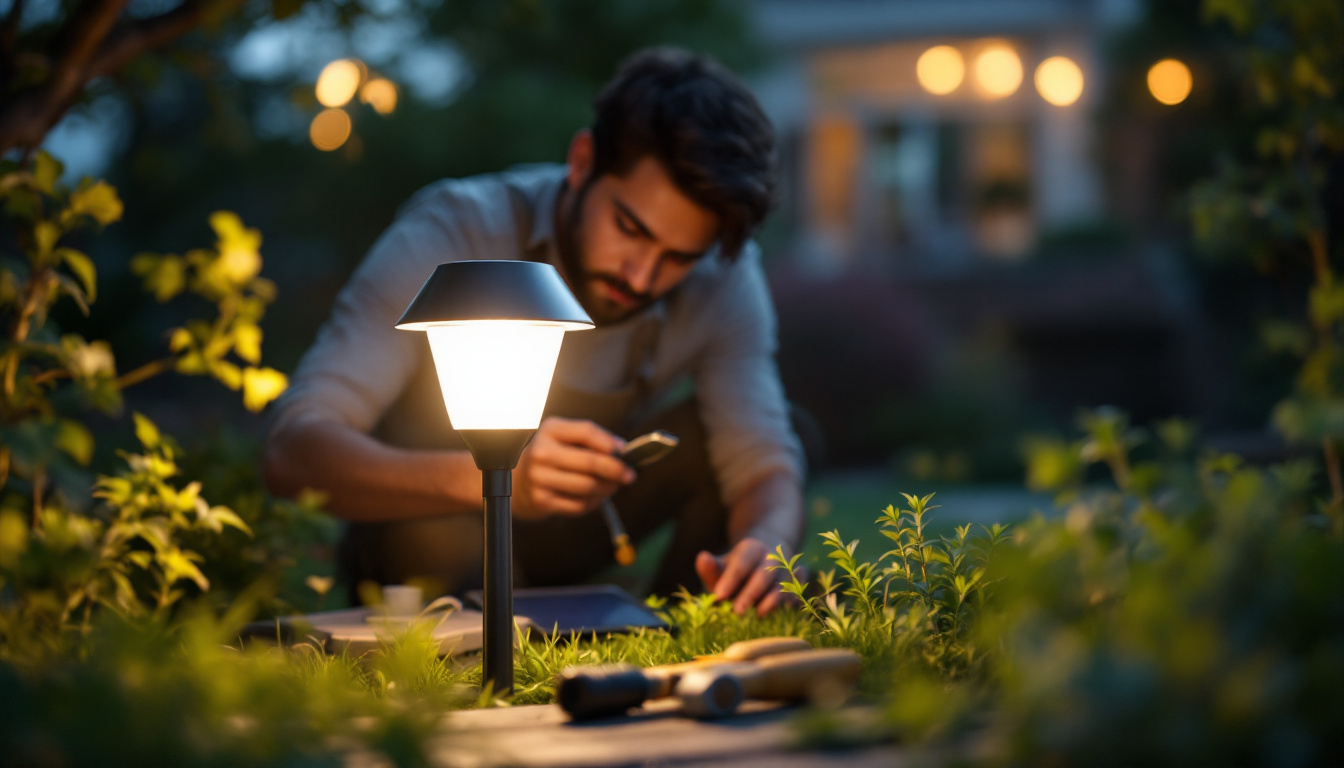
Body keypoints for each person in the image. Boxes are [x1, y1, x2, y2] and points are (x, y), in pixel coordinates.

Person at [264, 47, 805, 617]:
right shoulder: (458, 231)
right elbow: (293, 451)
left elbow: (765, 461)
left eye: (678, 257)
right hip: (429, 531)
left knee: (781, 436)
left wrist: (768, 545)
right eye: (629, 228)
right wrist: (491, 477)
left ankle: (679, 641)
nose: (642, 276)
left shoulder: (722, 278)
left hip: (577, 525)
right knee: (431, 531)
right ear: (581, 159)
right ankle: (479, 662)